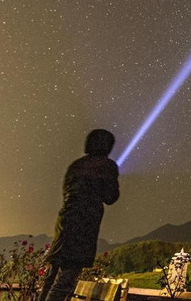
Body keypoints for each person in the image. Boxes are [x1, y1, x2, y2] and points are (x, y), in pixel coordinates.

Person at [39, 129, 120, 301]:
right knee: (65, 281)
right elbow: (110, 197)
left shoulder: (76, 165)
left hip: (64, 222)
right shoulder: (107, 165)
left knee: (50, 278)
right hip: (84, 225)